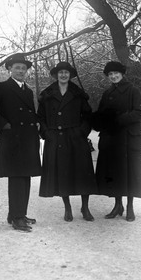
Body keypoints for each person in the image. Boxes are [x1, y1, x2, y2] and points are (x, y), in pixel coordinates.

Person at [0, 54, 41, 232]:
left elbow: (28, 112)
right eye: (17, 68)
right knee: (16, 178)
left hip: (28, 138)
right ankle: (16, 217)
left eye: (23, 68)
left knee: (26, 176)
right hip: (12, 139)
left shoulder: (28, 90)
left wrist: (36, 120)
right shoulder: (1, 87)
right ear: (9, 69)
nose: (21, 71)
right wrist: (3, 125)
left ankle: (19, 213)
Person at [37, 61, 97, 222]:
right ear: (56, 75)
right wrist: (47, 134)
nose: (63, 75)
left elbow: (88, 116)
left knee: (83, 173)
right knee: (62, 173)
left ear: (70, 75)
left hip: (76, 138)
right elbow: (40, 118)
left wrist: (82, 132)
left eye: (66, 73)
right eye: (60, 72)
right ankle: (67, 208)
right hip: (56, 139)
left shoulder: (78, 94)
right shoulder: (47, 94)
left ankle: (85, 207)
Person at [93, 61, 141, 222]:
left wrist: (118, 120)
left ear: (122, 73)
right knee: (115, 173)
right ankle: (118, 205)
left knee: (130, 173)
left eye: (115, 73)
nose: (113, 76)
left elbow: (139, 113)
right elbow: (102, 114)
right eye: (110, 74)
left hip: (129, 139)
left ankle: (130, 206)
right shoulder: (107, 93)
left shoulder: (134, 90)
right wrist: (97, 119)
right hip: (112, 139)